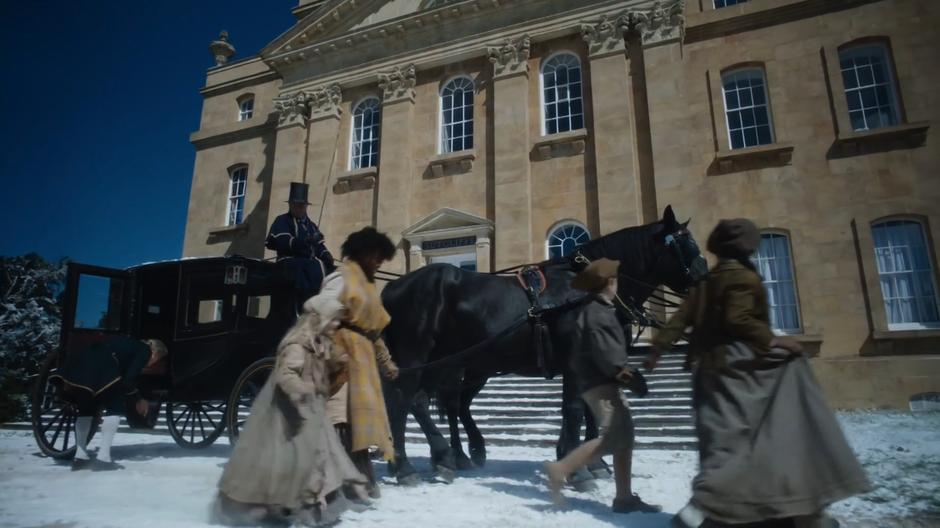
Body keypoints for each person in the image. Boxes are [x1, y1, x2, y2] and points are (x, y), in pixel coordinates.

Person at [647, 219, 870, 528]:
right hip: (739, 369)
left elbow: (679, 319)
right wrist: (774, 340)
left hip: (709, 370)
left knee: (721, 441)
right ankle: (716, 506)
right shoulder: (741, 277)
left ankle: (781, 509)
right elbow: (739, 319)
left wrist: (657, 349)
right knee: (774, 428)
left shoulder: (707, 281)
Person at [214, 307, 369, 527]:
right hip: (290, 413)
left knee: (321, 460)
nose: (336, 326)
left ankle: (317, 506)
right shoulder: (297, 346)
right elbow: (285, 374)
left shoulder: (319, 343)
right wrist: (303, 389)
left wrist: (339, 364)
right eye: (333, 321)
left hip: (310, 411)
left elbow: (325, 371)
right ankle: (288, 509)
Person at [544, 258, 660, 514]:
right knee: (612, 440)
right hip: (603, 385)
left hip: (601, 383)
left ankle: (624, 497)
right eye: (615, 280)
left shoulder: (597, 309)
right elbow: (610, 359)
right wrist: (633, 380)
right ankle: (561, 468)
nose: (617, 285)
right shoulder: (597, 313)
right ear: (609, 283)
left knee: (624, 438)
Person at [305, 226, 400, 499]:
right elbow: (318, 310)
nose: (379, 261)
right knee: (339, 418)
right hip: (340, 356)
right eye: (375, 255)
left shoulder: (366, 287)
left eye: (382, 256)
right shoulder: (342, 279)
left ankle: (359, 480)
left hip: (362, 361)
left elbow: (373, 331)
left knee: (358, 422)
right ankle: (330, 488)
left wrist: (387, 362)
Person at [52, 336, 167, 471]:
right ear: (155, 353)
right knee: (116, 407)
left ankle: (80, 456)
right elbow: (128, 381)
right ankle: (103, 458)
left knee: (86, 410)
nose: (152, 363)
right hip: (104, 368)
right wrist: (139, 399)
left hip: (82, 362)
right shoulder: (145, 350)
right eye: (156, 360)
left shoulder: (127, 343)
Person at [266, 182, 336, 304]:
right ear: (291, 205)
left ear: (305, 206)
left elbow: (319, 246)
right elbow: (282, 241)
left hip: (308, 264)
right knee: (313, 267)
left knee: (334, 272)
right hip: (289, 262)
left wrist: (326, 255)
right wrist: (304, 242)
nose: (299, 208)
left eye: (301, 206)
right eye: (296, 205)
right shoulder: (282, 220)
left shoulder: (312, 226)